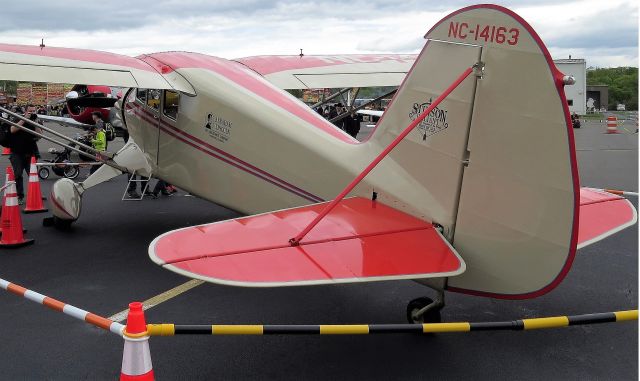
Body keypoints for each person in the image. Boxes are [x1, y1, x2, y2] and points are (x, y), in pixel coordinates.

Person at [9, 105, 41, 204]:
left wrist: (35, 123)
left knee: (34, 175)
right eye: (30, 111)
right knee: (18, 175)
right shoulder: (18, 118)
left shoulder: (35, 120)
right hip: (17, 152)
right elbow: (12, 130)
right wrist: (24, 119)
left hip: (30, 152)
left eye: (33, 111)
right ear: (25, 111)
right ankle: (20, 196)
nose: (32, 113)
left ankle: (36, 194)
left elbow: (39, 135)